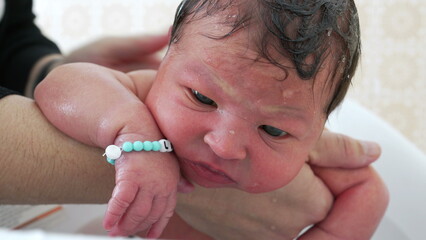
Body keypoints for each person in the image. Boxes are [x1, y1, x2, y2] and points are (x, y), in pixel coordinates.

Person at [34, 0, 389, 239]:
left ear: (317, 133)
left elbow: (369, 190)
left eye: (273, 130)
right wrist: (133, 137)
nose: (224, 145)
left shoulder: (315, 161)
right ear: (167, 59)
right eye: (202, 98)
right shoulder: (142, 100)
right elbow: (59, 85)